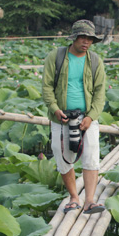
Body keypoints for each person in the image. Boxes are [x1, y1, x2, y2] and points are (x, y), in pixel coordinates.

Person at [42, 20, 106, 215]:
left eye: (90, 39)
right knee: (62, 156)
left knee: (92, 154)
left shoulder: (95, 61)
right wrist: (54, 109)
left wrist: (91, 116)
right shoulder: (56, 57)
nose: (86, 42)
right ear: (74, 38)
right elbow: (46, 88)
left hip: (87, 116)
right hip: (61, 116)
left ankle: (89, 200)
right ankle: (73, 197)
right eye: (82, 37)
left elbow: (100, 93)